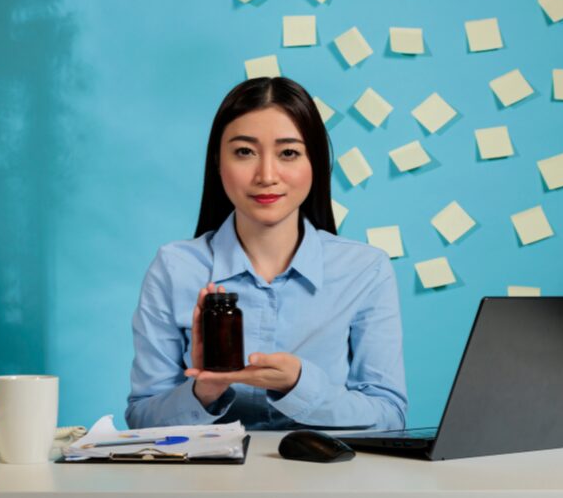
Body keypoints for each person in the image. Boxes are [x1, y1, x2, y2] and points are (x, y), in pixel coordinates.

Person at [125, 77, 407, 431]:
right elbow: (141, 417)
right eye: (245, 152)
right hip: (203, 483)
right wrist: (205, 390)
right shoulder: (174, 268)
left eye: (288, 152)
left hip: (325, 480)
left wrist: (299, 385)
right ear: (217, 161)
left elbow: (389, 416)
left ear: (315, 163)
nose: (267, 175)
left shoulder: (365, 269)